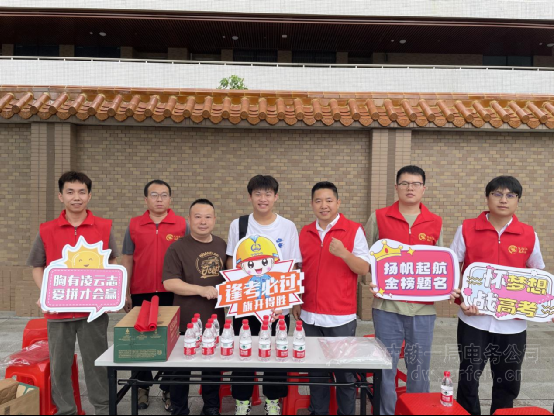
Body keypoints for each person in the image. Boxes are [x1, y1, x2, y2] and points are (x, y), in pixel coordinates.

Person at [451, 176, 545, 415]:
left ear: (518, 200)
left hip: (512, 324)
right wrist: (461, 299)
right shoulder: (467, 229)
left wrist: (544, 307)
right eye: (497, 194)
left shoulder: (528, 234)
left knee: (508, 381)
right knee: (469, 377)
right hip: (473, 320)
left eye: (510, 195)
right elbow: (452, 268)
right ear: (487, 197)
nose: (504, 200)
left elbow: (537, 275)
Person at [27, 171, 119, 415]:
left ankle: (103, 408)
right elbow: (37, 266)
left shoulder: (104, 227)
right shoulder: (47, 229)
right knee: (59, 366)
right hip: (58, 312)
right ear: (61, 196)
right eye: (70, 192)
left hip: (93, 312)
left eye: (81, 192)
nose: (76, 197)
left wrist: (111, 294)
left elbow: (112, 264)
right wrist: (46, 293)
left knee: (96, 363)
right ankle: (66, 410)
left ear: (89, 196)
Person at [365, 165, 444, 415]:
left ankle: (416, 412)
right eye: (405, 183)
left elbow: (441, 264)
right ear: (396, 187)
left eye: (416, 184)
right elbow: (365, 257)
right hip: (387, 307)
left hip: (422, 310)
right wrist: (369, 280)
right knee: (385, 368)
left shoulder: (435, 222)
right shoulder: (379, 217)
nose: (410, 188)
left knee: (419, 369)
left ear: (424, 188)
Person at [225, 175, 302, 416]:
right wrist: (236, 294)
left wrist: (290, 299)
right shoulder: (238, 225)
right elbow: (231, 261)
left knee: (276, 354)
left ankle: (273, 401)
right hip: (246, 303)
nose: (263, 198)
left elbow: (293, 265)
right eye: (258, 193)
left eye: (268, 193)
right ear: (250, 197)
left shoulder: (287, 226)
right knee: (243, 353)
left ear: (276, 197)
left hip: (277, 305)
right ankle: (242, 402)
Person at [293, 181, 370, 415]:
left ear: (338, 202)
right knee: (316, 372)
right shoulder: (305, 232)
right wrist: (296, 299)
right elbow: (298, 269)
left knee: (344, 374)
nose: (323, 205)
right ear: (312, 204)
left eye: (328, 200)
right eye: (318, 201)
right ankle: (319, 412)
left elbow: (363, 268)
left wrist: (344, 253)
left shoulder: (353, 230)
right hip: (309, 315)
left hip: (340, 316)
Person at [121, 179, 188, 411]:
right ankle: (142, 387)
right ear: (145, 199)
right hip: (142, 291)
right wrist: (125, 292)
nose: (159, 199)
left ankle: (169, 388)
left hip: (173, 291)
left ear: (170, 199)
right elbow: (127, 259)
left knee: (171, 340)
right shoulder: (134, 225)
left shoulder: (182, 224)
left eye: (164, 195)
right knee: (140, 341)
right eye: (154, 195)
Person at [163, 199, 226, 416]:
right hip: (185, 320)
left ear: (214, 220)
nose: (203, 221)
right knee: (181, 370)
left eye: (208, 217)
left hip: (215, 320)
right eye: (197, 217)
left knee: (212, 370)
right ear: (189, 220)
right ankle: (179, 408)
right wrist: (200, 289)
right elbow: (169, 282)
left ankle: (211, 407)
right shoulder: (177, 247)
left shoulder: (222, 245)